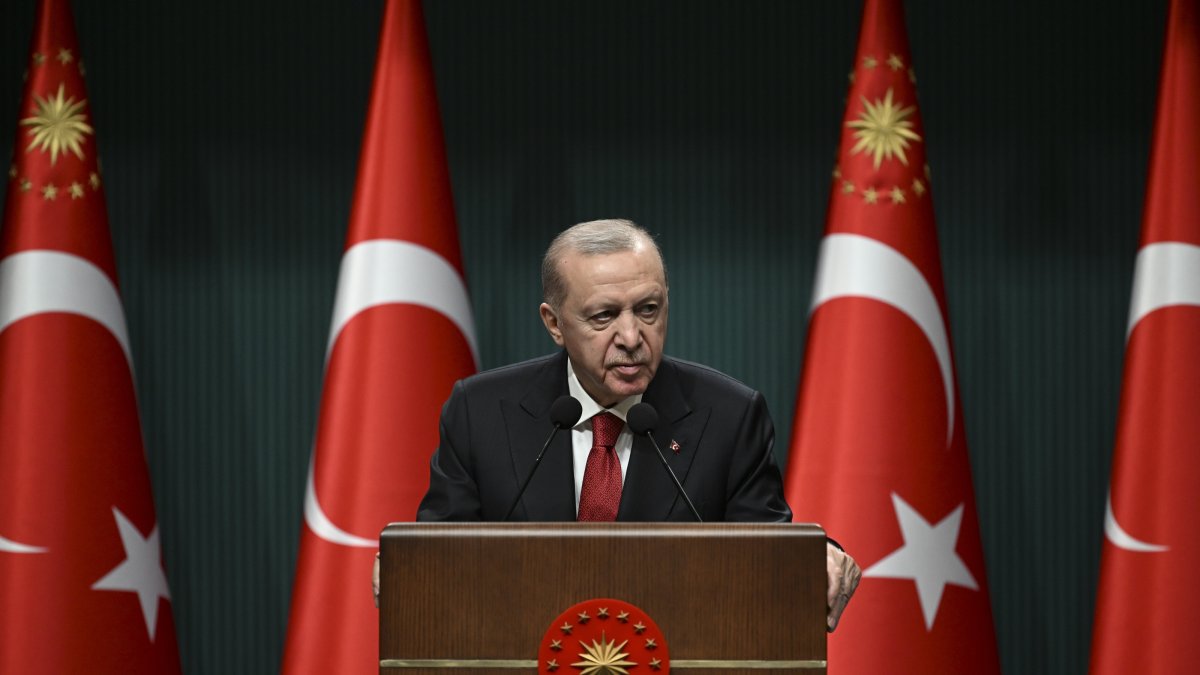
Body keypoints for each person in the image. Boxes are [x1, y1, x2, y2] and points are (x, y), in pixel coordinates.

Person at [374, 218, 860, 630]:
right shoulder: (479, 412)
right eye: (604, 316)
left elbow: (767, 548)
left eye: (648, 309)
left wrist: (814, 560)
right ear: (554, 323)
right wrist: (410, 568)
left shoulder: (730, 416)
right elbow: (440, 553)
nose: (632, 337)